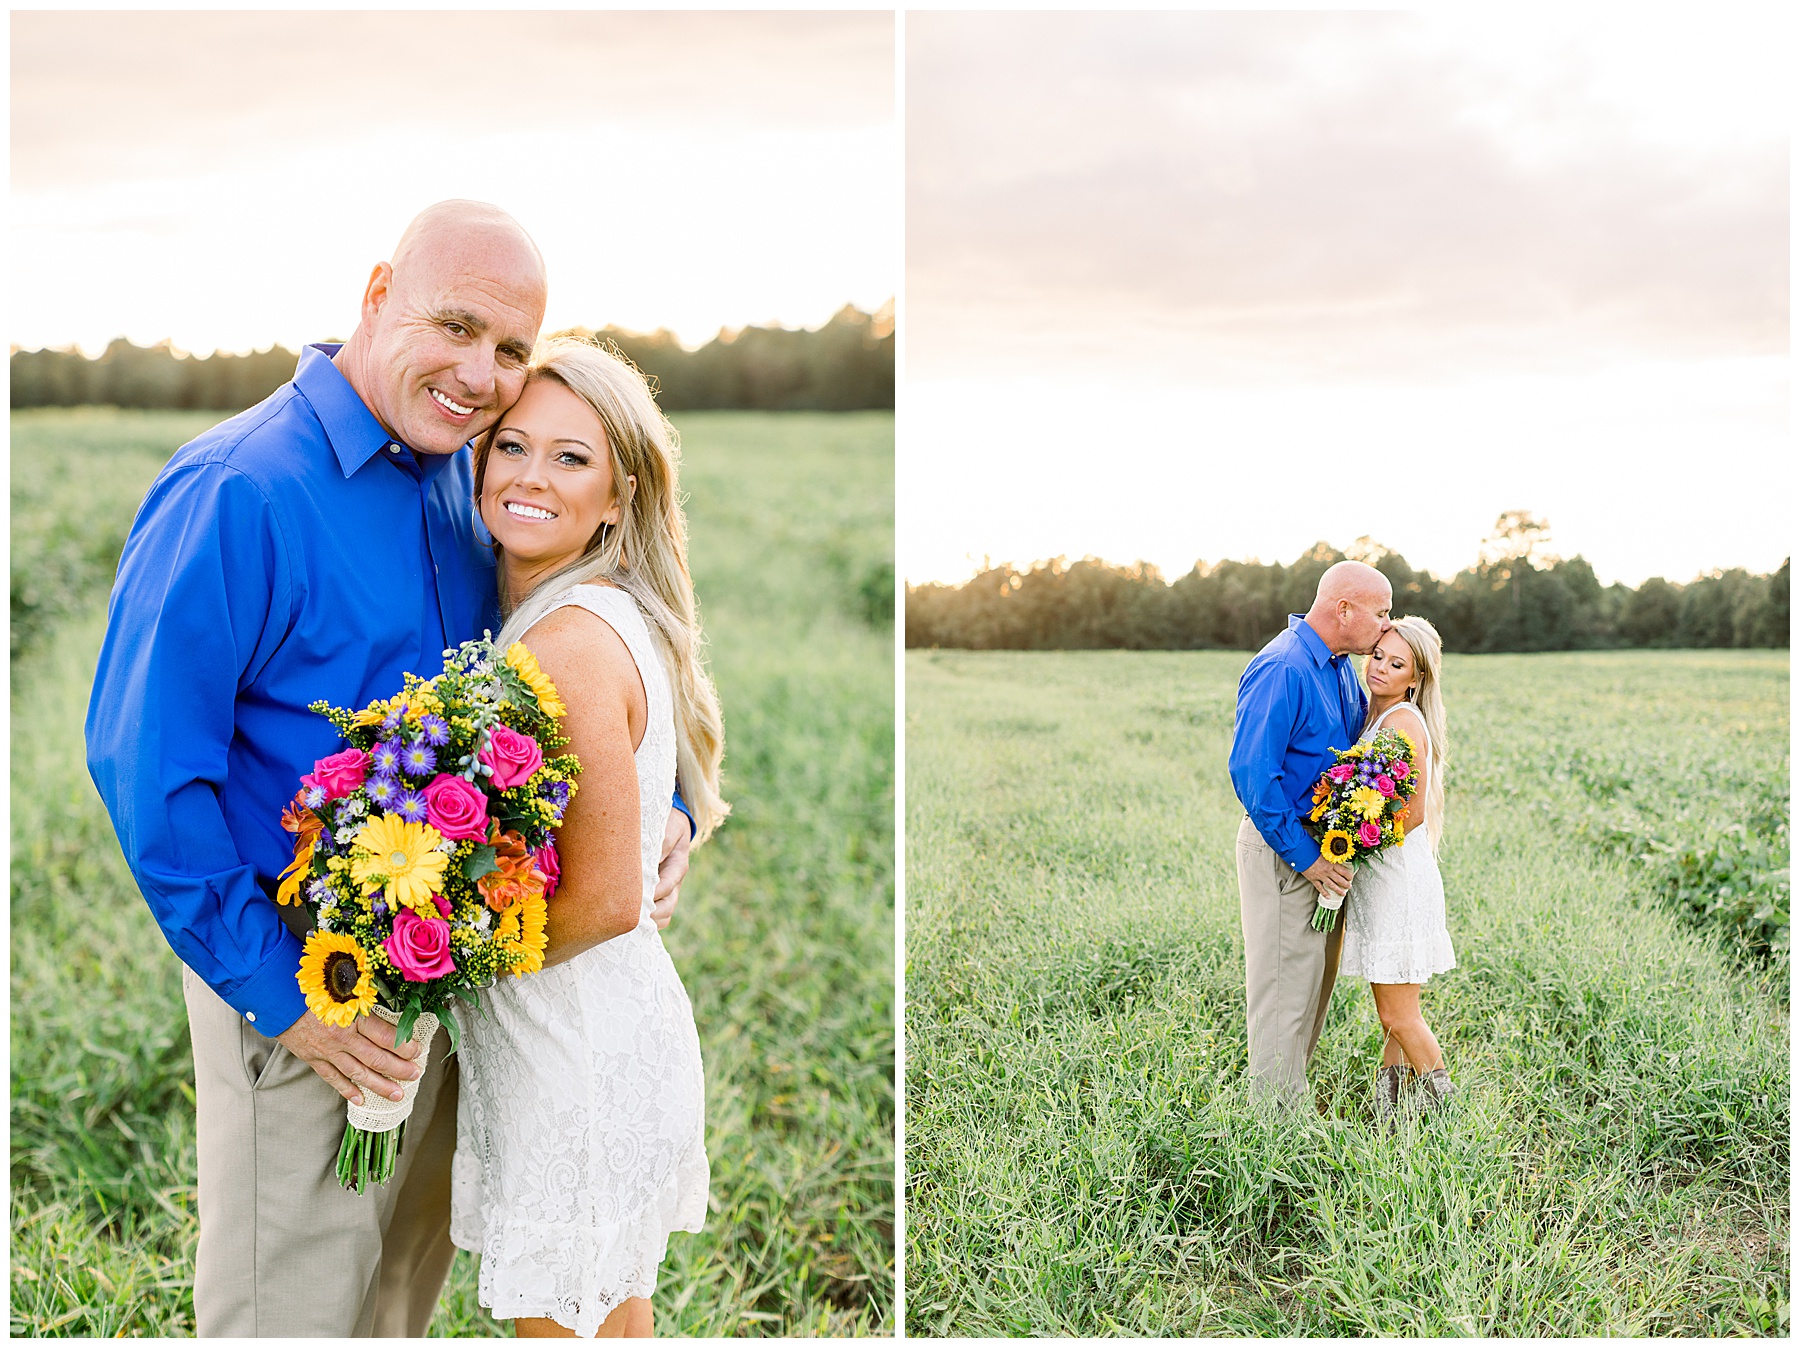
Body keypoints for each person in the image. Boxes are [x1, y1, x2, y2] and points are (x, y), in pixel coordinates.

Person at [85, 201, 695, 1337]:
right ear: (377, 293)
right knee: (290, 1314)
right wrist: (290, 1002)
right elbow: (146, 772)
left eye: (510, 350)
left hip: (442, 988)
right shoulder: (239, 486)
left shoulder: (464, 483)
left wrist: (663, 808)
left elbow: (557, 674)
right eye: (456, 325)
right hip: (305, 991)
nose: (481, 374)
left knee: (391, 1311)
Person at [449, 338, 727, 1337]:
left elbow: (609, 898)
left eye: (571, 458)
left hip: (575, 1053)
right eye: (512, 445)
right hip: (588, 1037)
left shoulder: (567, 643)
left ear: (618, 496)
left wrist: (433, 960)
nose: (528, 476)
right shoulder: (575, 610)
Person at [1227, 560, 1392, 1107]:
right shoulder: (1283, 666)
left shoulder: (1342, 665)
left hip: (1325, 855)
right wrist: (1307, 859)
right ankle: (1271, 1139)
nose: (1387, 626)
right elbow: (1254, 773)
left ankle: (1287, 1119)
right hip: (1286, 853)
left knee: (1310, 993)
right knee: (1282, 997)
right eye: (1381, 612)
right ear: (1344, 609)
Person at [1339, 616, 1457, 1118]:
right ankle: (1393, 1114)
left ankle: (1451, 1111)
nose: (1380, 668)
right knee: (1392, 1015)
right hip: (1381, 880)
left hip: (1396, 881)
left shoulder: (1404, 721)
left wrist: (1351, 843)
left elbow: (1410, 814)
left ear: (1416, 677)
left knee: (1397, 1013)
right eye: (1378, 655)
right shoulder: (1376, 718)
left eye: (1396, 663)